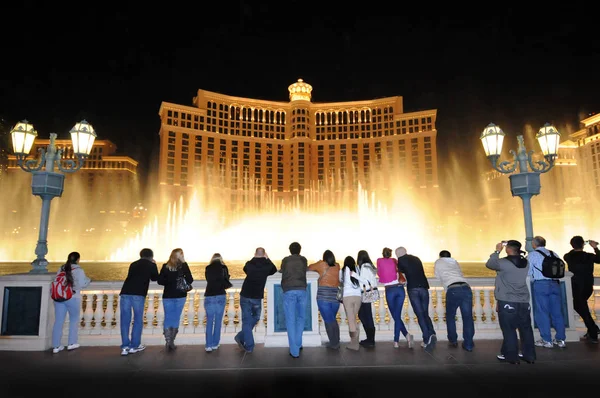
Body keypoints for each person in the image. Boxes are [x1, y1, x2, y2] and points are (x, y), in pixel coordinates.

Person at [486, 240, 535, 364]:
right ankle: (529, 356)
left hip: (507, 300)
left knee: (509, 330)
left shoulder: (503, 263)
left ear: (508, 249)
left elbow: (490, 264)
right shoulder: (526, 262)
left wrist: (497, 251)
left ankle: (512, 357)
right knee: (526, 330)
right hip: (523, 301)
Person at [235, 247, 277, 353]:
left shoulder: (249, 264)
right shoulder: (267, 265)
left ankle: (241, 336)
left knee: (246, 320)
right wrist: (267, 258)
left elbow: (245, 269)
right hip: (257, 296)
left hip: (245, 294)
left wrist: (255, 258)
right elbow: (274, 270)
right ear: (264, 254)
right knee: (255, 318)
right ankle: (249, 345)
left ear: (255, 254)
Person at [119, 248, 159, 356]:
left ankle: (125, 346)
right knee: (137, 320)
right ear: (151, 256)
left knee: (125, 320)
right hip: (138, 294)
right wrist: (154, 265)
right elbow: (155, 278)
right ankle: (134, 345)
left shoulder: (133, 264)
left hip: (125, 293)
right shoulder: (150, 265)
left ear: (140, 255)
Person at [528, 236, 566, 348]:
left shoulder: (532, 255)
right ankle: (560, 340)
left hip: (541, 285)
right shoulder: (553, 253)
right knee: (557, 313)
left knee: (542, 312)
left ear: (534, 244)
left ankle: (546, 340)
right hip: (555, 284)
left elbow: (528, 271)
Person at [433, 250, 474, 351]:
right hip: (465, 287)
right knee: (468, 317)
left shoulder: (438, 262)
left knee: (450, 316)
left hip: (453, 289)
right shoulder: (454, 261)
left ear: (440, 256)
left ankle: (453, 340)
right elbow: (459, 273)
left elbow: (437, 276)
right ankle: (468, 344)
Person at [396, 246, 436, 348]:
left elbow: (400, 275)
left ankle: (426, 339)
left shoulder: (401, 260)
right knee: (425, 312)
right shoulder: (416, 258)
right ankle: (432, 333)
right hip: (423, 287)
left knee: (420, 314)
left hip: (413, 288)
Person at [52, 251, 91, 354]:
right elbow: (82, 284)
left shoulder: (61, 268)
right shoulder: (79, 270)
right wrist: (88, 280)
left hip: (59, 297)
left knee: (58, 322)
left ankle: (56, 346)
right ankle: (71, 343)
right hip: (72, 297)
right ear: (78, 259)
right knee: (74, 320)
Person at [564, 236, 600, 343]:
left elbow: (569, 254)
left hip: (575, 286)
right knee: (581, 306)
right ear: (583, 245)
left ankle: (593, 331)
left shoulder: (568, 256)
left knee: (579, 306)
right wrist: (595, 247)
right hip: (588, 285)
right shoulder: (589, 256)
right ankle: (593, 329)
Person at [157, 248, 193, 351]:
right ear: (179, 256)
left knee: (168, 317)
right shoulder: (183, 266)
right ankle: (171, 341)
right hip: (180, 295)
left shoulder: (166, 266)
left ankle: (168, 341)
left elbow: (160, 281)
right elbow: (190, 280)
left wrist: (169, 281)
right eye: (182, 254)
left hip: (168, 295)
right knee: (176, 317)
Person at [377, 247, 413, 348]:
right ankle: (407, 336)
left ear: (382, 254)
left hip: (390, 290)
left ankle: (396, 340)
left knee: (396, 317)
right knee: (397, 316)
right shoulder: (394, 261)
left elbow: (379, 273)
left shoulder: (379, 261)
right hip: (400, 289)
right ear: (391, 254)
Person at [279, 242, 308, 358]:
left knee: (291, 320)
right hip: (302, 289)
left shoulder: (285, 260)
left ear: (290, 250)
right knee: (301, 317)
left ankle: (294, 351)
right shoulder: (303, 260)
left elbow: (282, 270)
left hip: (289, 290)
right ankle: (298, 343)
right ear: (300, 250)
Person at [308, 249, 341, 349]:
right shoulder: (337, 265)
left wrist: (318, 262)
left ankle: (334, 344)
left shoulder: (321, 264)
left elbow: (308, 268)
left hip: (324, 296)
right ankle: (335, 341)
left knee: (329, 320)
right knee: (332, 320)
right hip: (335, 296)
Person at [204, 253, 231, 352]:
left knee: (210, 321)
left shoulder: (208, 268)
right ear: (220, 259)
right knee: (218, 321)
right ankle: (215, 343)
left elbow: (208, 279)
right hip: (220, 294)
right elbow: (226, 280)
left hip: (209, 295)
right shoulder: (223, 267)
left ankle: (208, 345)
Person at [354, 250, 378, 347]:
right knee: (366, 315)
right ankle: (370, 339)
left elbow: (363, 280)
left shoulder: (364, 266)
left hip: (365, 293)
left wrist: (354, 275)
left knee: (364, 315)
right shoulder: (370, 266)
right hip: (370, 292)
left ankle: (370, 340)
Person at [340, 256, 362, 350]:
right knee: (354, 319)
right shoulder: (357, 269)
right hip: (358, 297)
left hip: (348, 296)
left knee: (351, 320)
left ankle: (354, 344)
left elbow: (340, 281)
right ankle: (355, 341)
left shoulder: (343, 270)